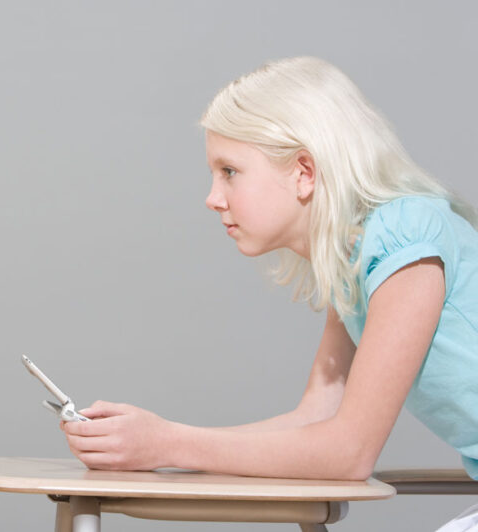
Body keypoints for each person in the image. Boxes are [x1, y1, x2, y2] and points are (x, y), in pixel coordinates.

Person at [59, 56, 478, 530]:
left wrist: (168, 444)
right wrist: (152, 443)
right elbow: (316, 417)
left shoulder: (405, 236)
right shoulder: (356, 256)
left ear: (304, 171)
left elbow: (350, 452)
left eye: (229, 171)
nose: (212, 198)